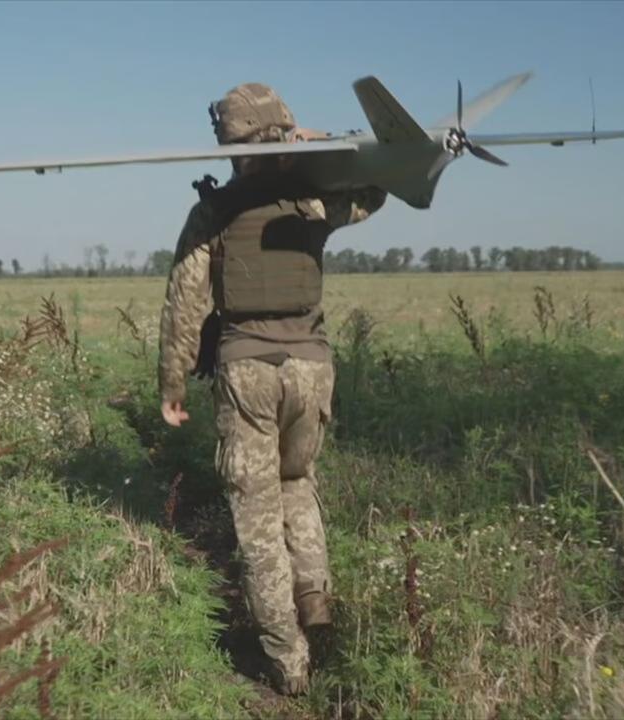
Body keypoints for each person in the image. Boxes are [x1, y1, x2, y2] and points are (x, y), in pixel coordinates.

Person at [157, 82, 387, 695]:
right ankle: (313, 593)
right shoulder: (313, 201)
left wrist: (172, 384)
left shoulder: (215, 212)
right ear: (284, 129)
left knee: (255, 511)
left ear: (230, 144)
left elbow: (184, 305)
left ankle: (287, 658)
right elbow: (376, 192)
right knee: (297, 482)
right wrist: (327, 146)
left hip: (248, 373)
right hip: (311, 369)